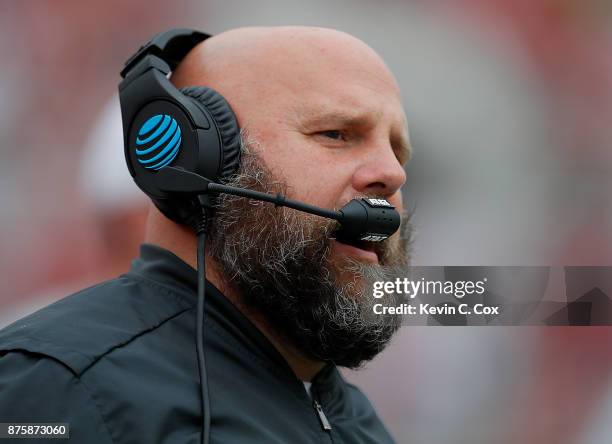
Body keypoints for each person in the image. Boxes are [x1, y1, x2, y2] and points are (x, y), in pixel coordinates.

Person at [0, 26, 412, 443]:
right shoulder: (58, 389)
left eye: (397, 150)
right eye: (336, 134)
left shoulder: (359, 423)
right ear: (197, 161)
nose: (392, 173)